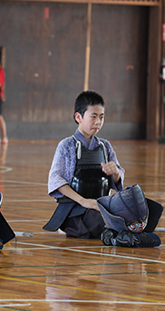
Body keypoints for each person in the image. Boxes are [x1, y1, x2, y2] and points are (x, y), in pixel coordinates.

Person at [43, 91, 124, 239]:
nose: (98, 122)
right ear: (78, 117)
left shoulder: (105, 146)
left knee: (136, 212)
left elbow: (117, 181)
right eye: (93, 116)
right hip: (75, 208)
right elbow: (56, 180)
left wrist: (116, 174)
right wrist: (83, 201)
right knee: (105, 222)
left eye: (101, 117)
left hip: (99, 205)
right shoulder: (66, 145)